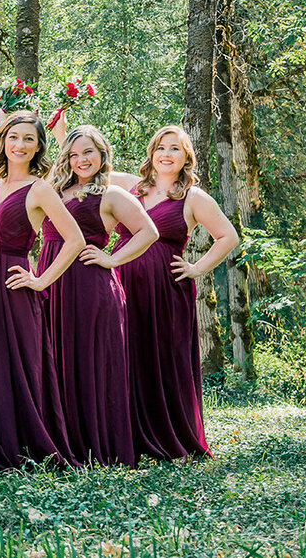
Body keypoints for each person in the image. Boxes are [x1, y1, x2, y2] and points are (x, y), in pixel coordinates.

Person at [0, 108, 85, 469]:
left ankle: (24, 448)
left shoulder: (40, 188)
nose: (20, 144)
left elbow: (73, 239)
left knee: (18, 367)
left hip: (16, 285)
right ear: (2, 140)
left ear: (38, 147)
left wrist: (42, 279)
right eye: (13, 137)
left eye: (29, 138)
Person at [106, 125, 238, 460]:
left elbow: (228, 237)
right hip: (122, 284)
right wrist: (63, 132)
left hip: (165, 291)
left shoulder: (193, 197)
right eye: (161, 147)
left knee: (164, 358)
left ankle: (170, 435)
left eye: (175, 149)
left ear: (186, 158)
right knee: (125, 355)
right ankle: (127, 435)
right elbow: (89, 163)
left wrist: (196, 268)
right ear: (151, 153)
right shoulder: (130, 187)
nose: (166, 154)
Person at [41, 124, 158, 466]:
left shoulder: (111, 194)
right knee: (58, 361)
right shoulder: (56, 190)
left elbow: (148, 232)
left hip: (90, 288)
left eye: (88, 152)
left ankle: (99, 445)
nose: (81, 160)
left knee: (90, 363)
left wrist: (113, 258)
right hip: (53, 285)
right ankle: (61, 441)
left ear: (102, 154)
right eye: (74, 154)